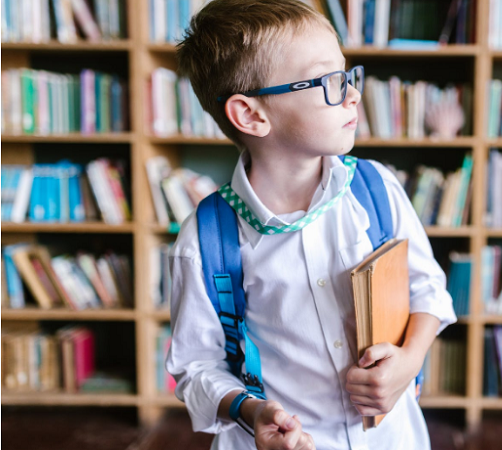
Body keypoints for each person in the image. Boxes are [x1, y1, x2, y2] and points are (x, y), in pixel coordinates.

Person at [165, 1, 457, 449]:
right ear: (251, 115)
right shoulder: (206, 240)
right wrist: (252, 410)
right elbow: (196, 367)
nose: (354, 94)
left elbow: (428, 290)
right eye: (330, 81)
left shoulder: (375, 188)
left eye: (347, 75)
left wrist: (409, 361)